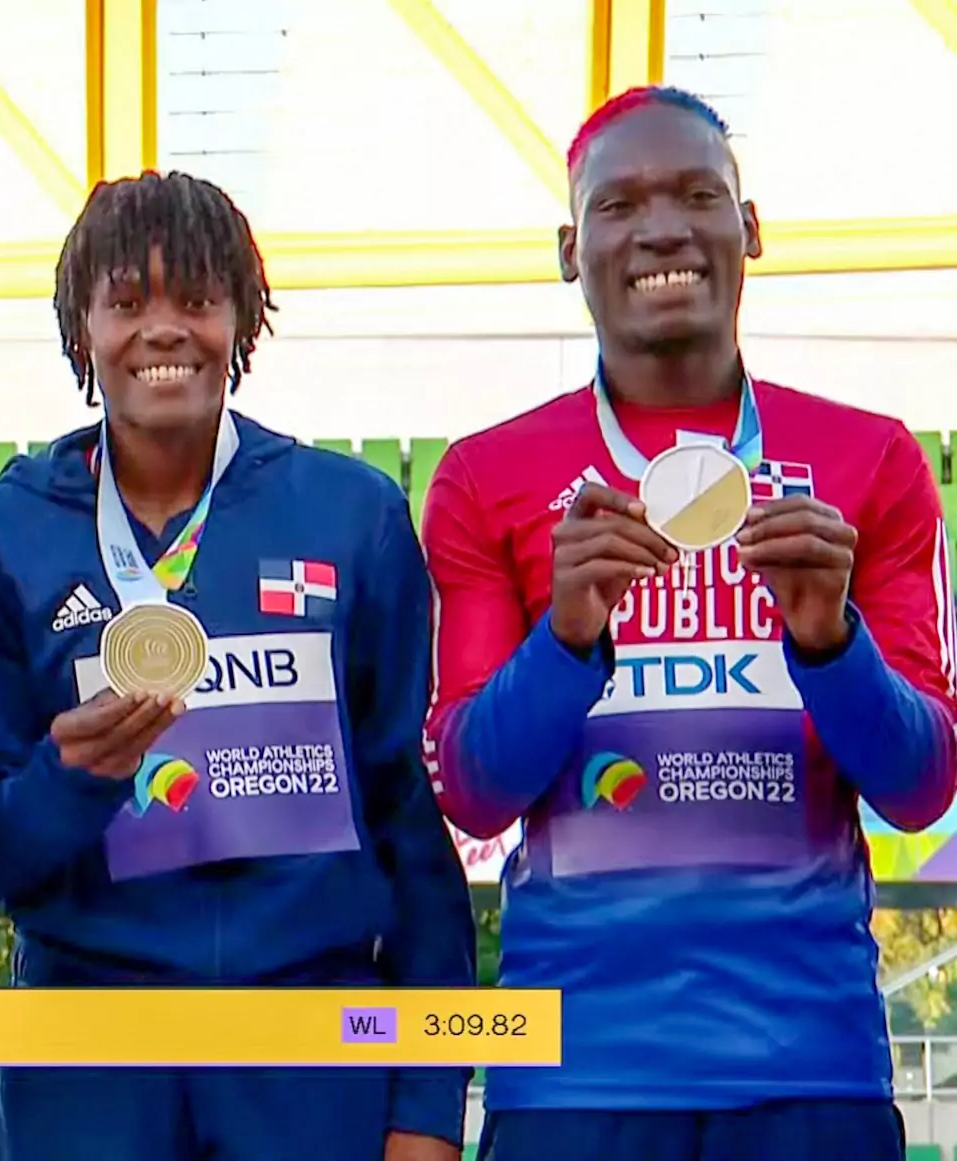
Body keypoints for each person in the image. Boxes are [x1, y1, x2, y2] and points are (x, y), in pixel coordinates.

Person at [422, 87, 953, 1161]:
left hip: (811, 1069)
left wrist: (827, 645)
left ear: (747, 228)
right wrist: (566, 642)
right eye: (618, 205)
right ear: (571, 251)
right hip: (570, 1078)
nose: (661, 227)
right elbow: (469, 790)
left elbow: (921, 786)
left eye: (696, 195)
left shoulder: (874, 460)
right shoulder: (487, 476)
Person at [0, 170, 476, 1161]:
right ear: (81, 328)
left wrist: (428, 1103)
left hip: (306, 1055)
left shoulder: (349, 515)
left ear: (241, 316)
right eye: (127, 303)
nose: (164, 330)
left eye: (196, 298)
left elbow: (404, 815)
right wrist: (66, 783)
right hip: (85, 1066)